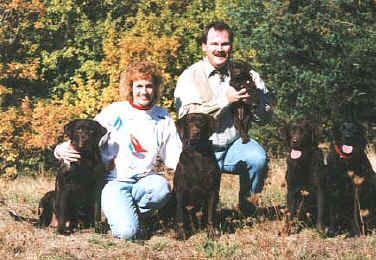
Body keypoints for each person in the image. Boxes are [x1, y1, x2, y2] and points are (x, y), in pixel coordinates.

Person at [54, 61, 182, 239]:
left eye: (149, 86)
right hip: (114, 182)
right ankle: (127, 215)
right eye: (139, 86)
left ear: (156, 88)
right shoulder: (114, 111)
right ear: (130, 87)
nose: (143, 91)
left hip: (145, 181)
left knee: (161, 189)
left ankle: (134, 213)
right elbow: (85, 132)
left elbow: (174, 155)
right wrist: (61, 149)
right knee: (126, 233)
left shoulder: (163, 117)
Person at [174, 21, 273, 215]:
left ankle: (247, 207)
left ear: (231, 46)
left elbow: (266, 117)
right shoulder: (190, 76)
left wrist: (256, 102)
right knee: (194, 202)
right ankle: (197, 213)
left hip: (235, 144)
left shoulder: (248, 73)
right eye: (214, 44)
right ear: (204, 46)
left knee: (258, 158)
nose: (220, 49)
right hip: (202, 150)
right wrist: (224, 100)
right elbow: (187, 116)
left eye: (225, 44)